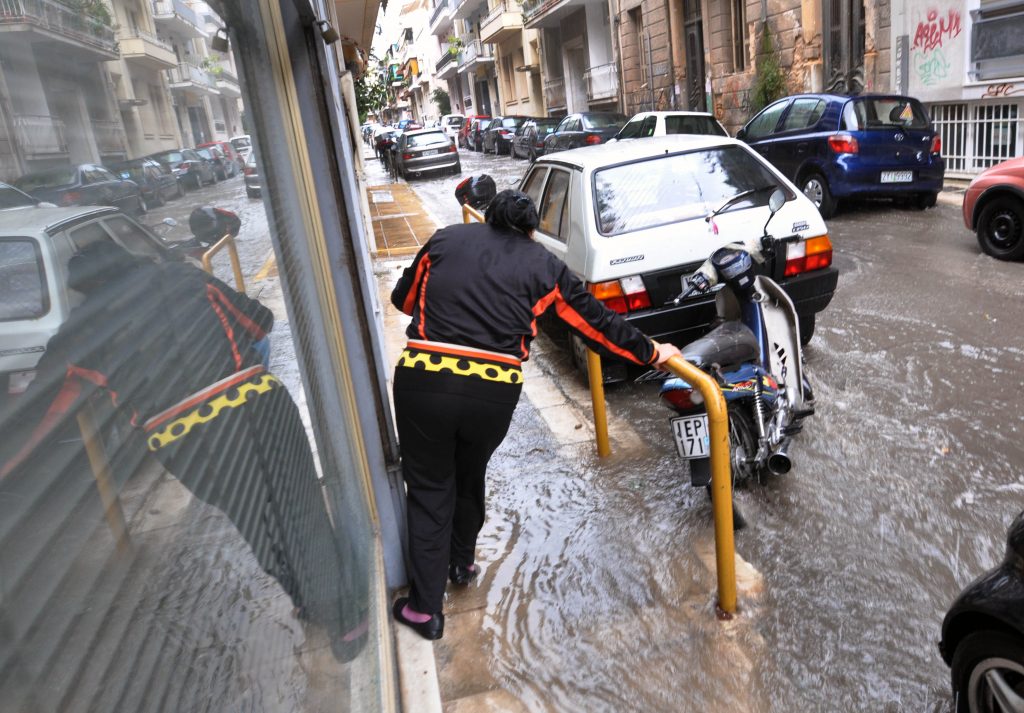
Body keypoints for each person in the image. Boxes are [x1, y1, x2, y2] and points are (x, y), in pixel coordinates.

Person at [0, 241, 366, 660]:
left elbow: (42, 409)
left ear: (81, 287)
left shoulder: (82, 329)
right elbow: (260, 321)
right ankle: (346, 624)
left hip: (187, 442)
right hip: (258, 405)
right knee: (301, 512)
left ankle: (307, 601)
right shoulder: (185, 277)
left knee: (259, 525)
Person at [389, 190, 682, 640]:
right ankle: (462, 562)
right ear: (531, 231)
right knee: (468, 477)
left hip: (424, 380)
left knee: (430, 489)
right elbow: (596, 325)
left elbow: (403, 300)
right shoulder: (544, 265)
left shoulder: (446, 239)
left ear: (486, 218)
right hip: (493, 390)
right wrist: (652, 352)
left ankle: (425, 611)